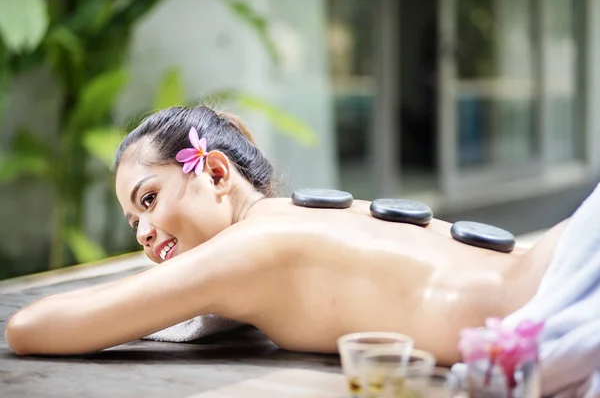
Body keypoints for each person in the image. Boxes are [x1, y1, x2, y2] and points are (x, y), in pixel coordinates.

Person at [4, 105, 569, 365]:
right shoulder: (312, 212)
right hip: (560, 263)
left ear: (217, 172)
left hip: (555, 305)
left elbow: (30, 329)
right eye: (134, 224)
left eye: (149, 200)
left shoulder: (244, 249)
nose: (145, 234)